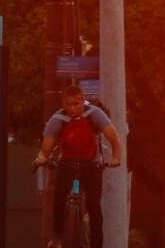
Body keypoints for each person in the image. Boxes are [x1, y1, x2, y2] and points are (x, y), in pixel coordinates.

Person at [34, 86, 122, 248]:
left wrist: (116, 157)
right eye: (69, 104)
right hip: (67, 163)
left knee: (94, 205)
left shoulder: (94, 114)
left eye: (77, 103)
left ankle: (97, 244)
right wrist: (41, 158)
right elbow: (46, 147)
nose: (73, 108)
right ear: (63, 104)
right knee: (59, 196)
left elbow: (113, 137)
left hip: (92, 164)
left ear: (83, 101)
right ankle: (57, 238)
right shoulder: (58, 119)